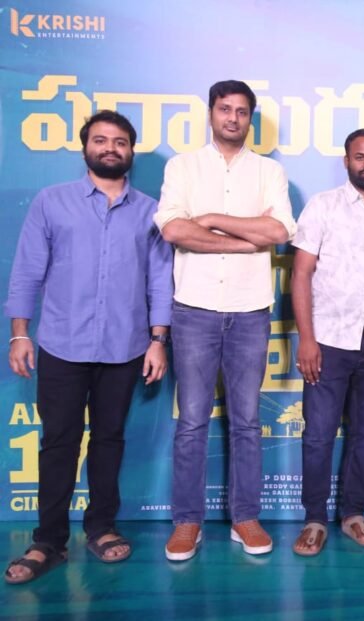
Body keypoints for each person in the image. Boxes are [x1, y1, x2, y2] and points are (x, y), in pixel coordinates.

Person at [4, 111, 173, 584]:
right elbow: (27, 270)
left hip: (126, 346)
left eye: (120, 142)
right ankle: (48, 541)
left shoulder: (152, 212)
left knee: (109, 440)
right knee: (58, 442)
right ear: (85, 148)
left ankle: (101, 527)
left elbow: (161, 281)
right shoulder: (52, 202)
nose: (110, 148)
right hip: (62, 343)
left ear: (131, 151)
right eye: (100, 140)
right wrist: (20, 333)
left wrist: (158, 341)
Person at [156, 80, 296, 561]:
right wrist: (246, 240)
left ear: (249, 118)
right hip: (193, 308)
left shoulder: (269, 171)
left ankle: (245, 517)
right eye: (224, 109)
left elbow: (279, 230)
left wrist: (213, 218)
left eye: (240, 111)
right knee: (192, 421)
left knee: (247, 422)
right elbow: (174, 229)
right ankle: (187, 522)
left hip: (250, 309)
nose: (232, 118)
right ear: (211, 113)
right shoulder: (183, 166)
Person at [290, 129, 364, 555]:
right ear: (346, 161)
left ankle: (354, 513)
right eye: (360, 157)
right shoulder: (323, 206)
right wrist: (307, 339)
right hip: (328, 341)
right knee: (318, 436)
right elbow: (301, 273)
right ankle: (314, 520)